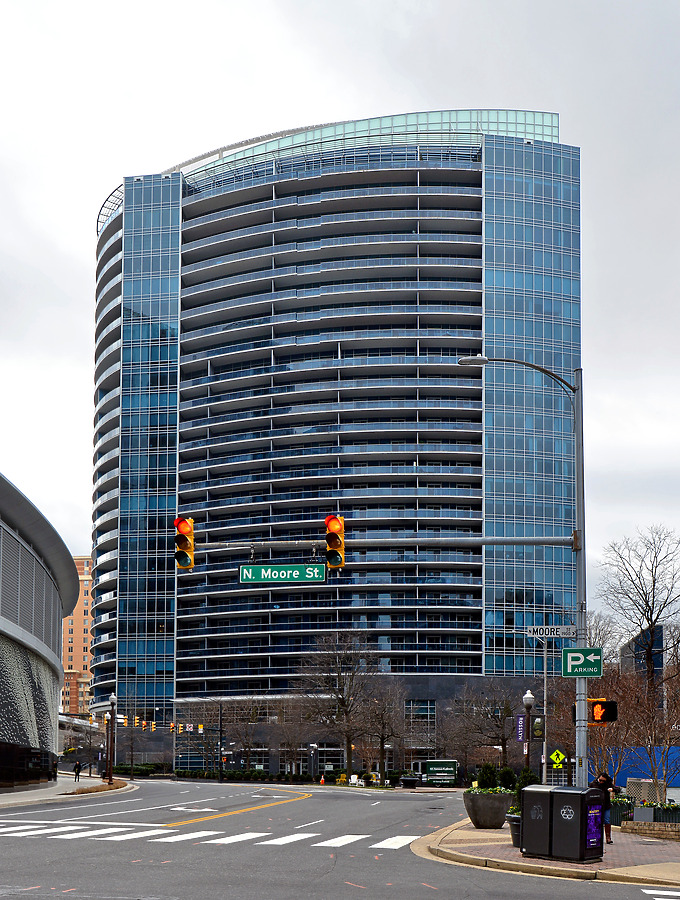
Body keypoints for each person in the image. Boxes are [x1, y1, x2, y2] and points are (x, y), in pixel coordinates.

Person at [589, 771, 620, 844]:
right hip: (596, 806)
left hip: (606, 805)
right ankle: (596, 837)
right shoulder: (593, 784)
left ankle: (608, 837)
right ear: (598, 779)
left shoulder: (607, 784)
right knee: (596, 822)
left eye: (603, 781)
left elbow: (618, 789)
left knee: (607, 820)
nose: (602, 782)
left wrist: (613, 789)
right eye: (600, 780)